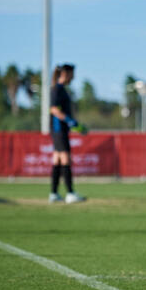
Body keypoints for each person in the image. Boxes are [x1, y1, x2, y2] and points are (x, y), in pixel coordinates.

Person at [48, 63, 87, 204]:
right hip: (59, 130)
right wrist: (71, 121)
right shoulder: (57, 89)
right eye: (72, 74)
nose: (74, 77)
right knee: (65, 159)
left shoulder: (61, 89)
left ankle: (54, 193)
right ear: (66, 74)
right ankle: (70, 193)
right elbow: (54, 110)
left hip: (60, 130)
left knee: (57, 160)